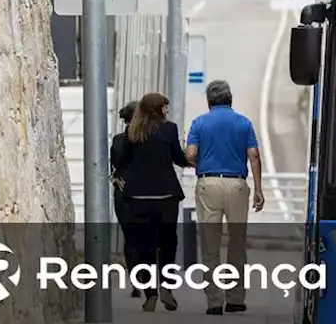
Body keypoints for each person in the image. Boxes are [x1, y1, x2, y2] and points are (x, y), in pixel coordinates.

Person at [185, 80, 264, 316]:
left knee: (210, 245)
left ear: (209, 101)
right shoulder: (244, 123)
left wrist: (201, 164)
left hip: (208, 184)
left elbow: (190, 154)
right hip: (237, 184)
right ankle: (236, 298)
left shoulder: (199, 123)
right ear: (231, 99)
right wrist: (258, 189)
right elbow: (254, 155)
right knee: (237, 242)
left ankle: (214, 301)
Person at [116, 92, 190, 312]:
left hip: (138, 197)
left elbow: (123, 161)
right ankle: (166, 285)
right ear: (158, 109)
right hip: (166, 195)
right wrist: (192, 160)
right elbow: (178, 157)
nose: (168, 111)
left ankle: (150, 294)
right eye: (165, 107)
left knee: (144, 246)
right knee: (168, 242)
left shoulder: (133, 131)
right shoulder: (169, 129)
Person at [109, 101, 140, 298]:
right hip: (143, 193)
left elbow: (114, 165)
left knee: (130, 238)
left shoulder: (118, 140)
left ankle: (136, 282)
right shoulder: (146, 140)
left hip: (122, 191)